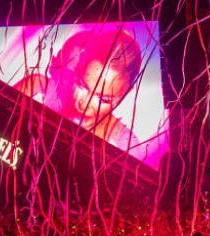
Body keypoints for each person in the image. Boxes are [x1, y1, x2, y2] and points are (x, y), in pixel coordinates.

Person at [14, 28, 143, 152]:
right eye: (82, 86)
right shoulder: (40, 87)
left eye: (103, 99)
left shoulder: (126, 145)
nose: (83, 104)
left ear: (125, 95)